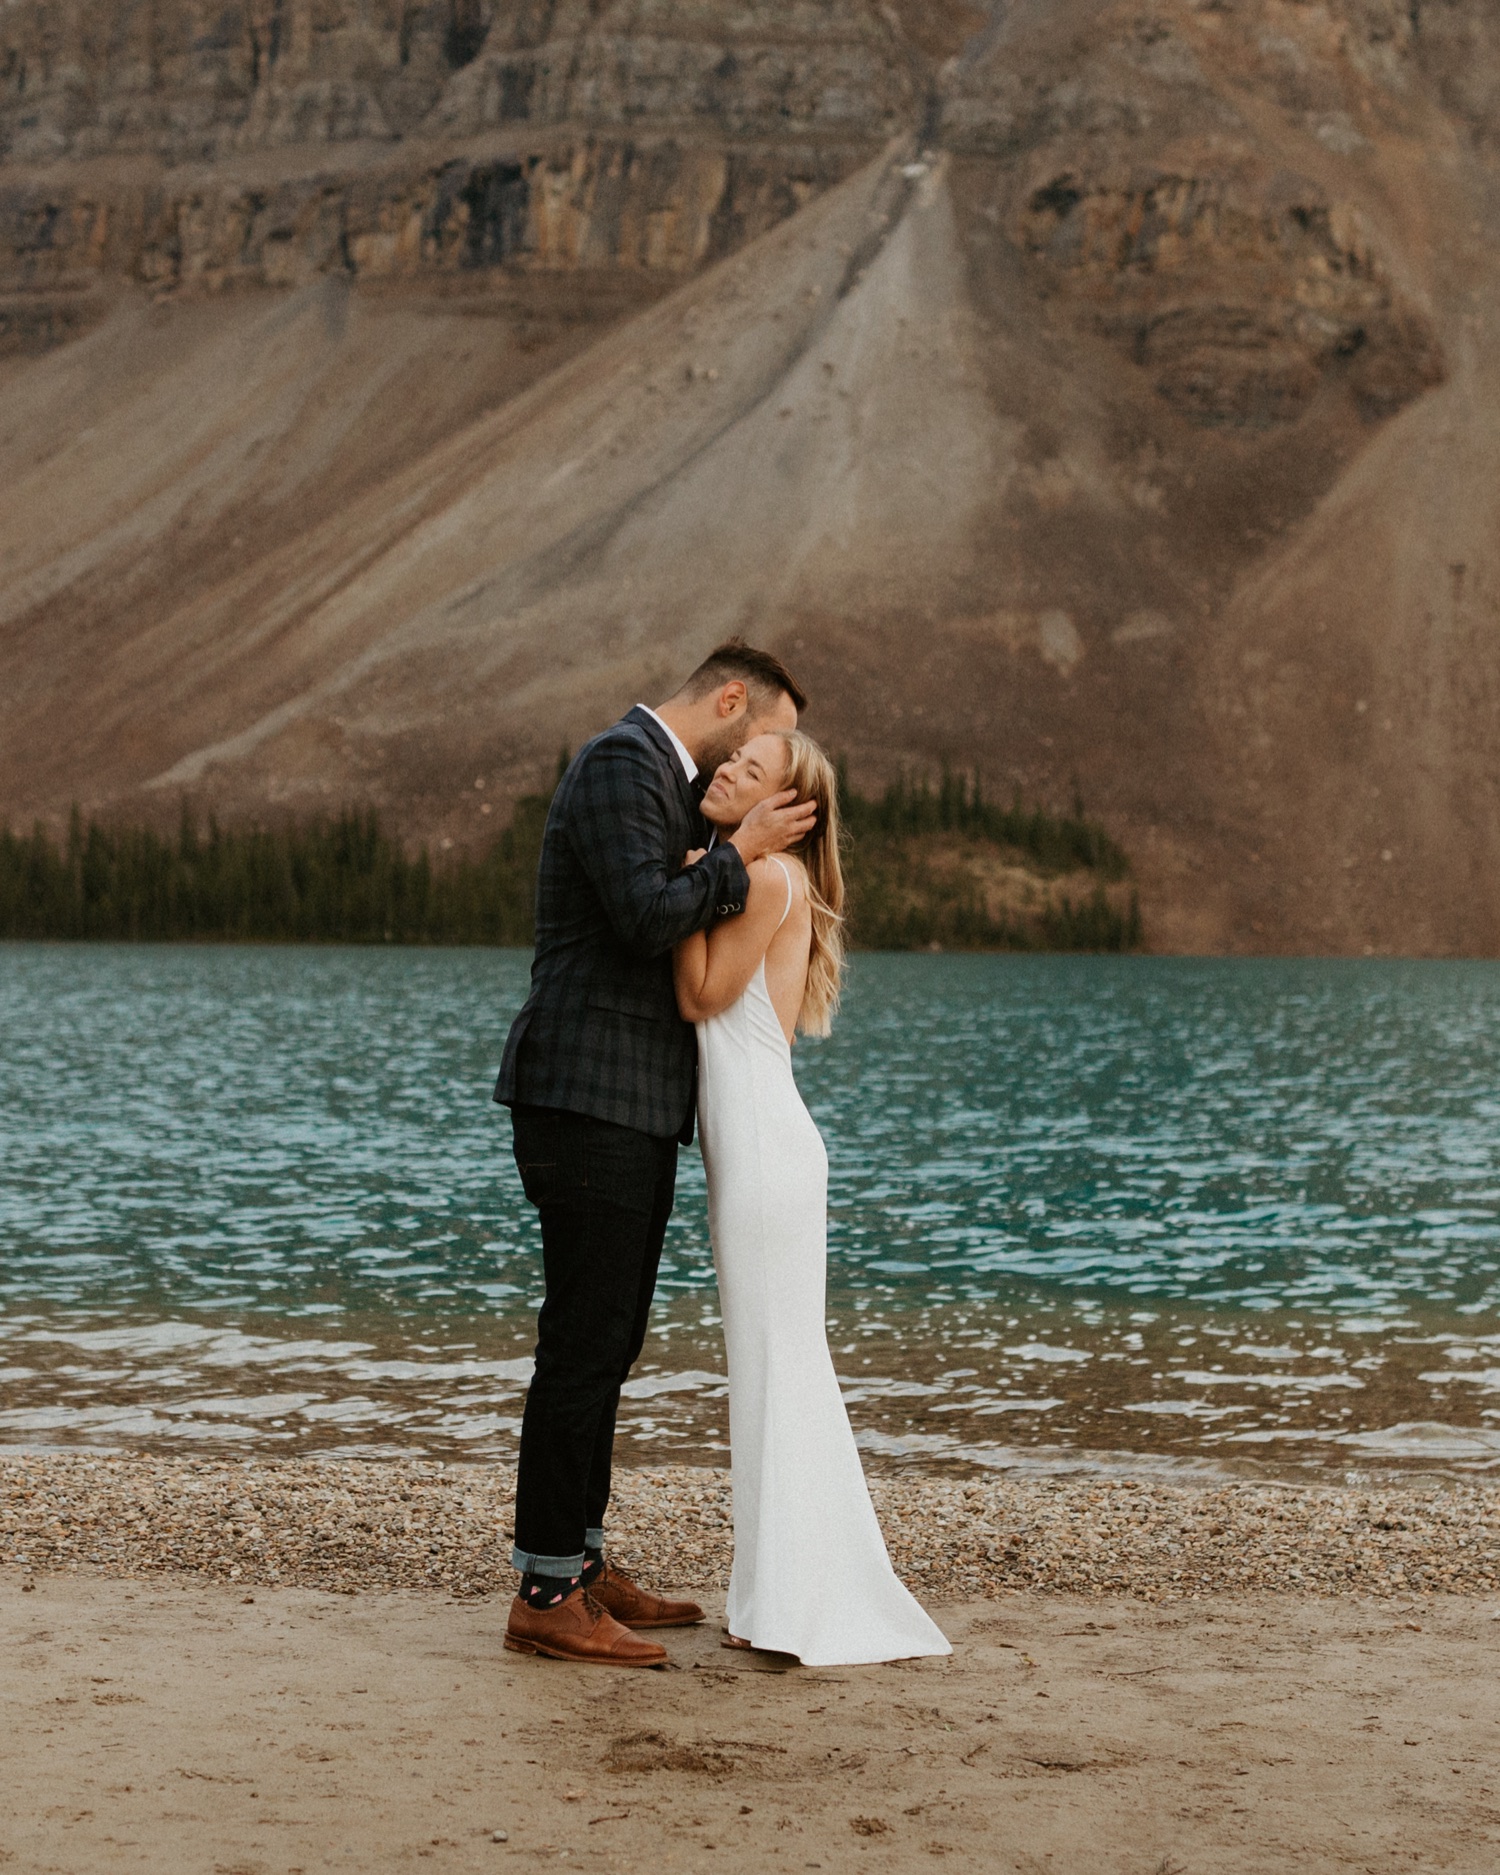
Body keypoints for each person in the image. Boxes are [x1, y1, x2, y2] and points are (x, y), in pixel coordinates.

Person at [495, 639, 815, 1668]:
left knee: (612, 1336)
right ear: (731, 701)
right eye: (769, 737)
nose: (760, 761)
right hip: (584, 1098)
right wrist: (738, 853)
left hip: (627, 1107)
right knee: (584, 1341)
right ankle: (546, 1587)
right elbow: (643, 916)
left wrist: (727, 855)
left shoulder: (663, 784)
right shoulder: (622, 764)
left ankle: (582, 1564)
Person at [674, 730, 951, 1665]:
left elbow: (703, 995)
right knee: (774, 1363)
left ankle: (795, 1601)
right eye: (733, 762)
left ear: (789, 809)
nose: (727, 773)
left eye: (751, 773)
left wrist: (692, 888)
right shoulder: (763, 876)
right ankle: (773, 1595)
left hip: (762, 1150)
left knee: (775, 1365)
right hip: (762, 1146)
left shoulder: (764, 879)